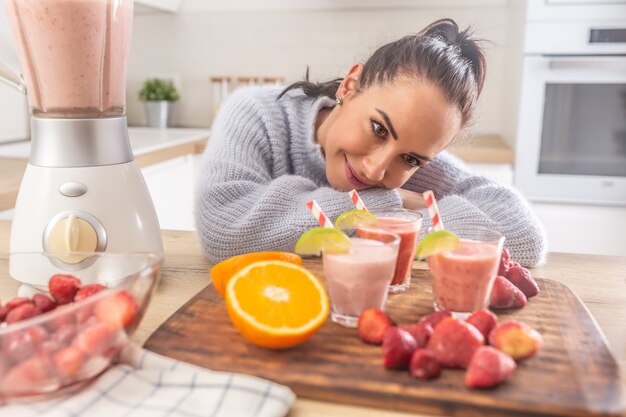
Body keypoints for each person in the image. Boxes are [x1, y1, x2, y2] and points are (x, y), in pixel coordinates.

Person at [195, 18, 547, 267]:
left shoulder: (416, 153)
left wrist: (396, 223)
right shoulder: (256, 114)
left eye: (410, 160)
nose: (376, 169)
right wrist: (389, 204)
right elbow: (223, 227)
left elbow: (523, 236)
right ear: (350, 85)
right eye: (378, 128)